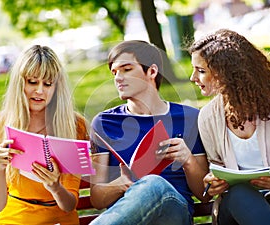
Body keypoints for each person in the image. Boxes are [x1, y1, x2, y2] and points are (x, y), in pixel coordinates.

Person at [89, 40, 210, 225]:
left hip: (174, 213)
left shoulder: (189, 118)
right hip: (129, 218)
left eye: (127, 69)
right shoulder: (104, 123)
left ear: (152, 71)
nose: (118, 78)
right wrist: (122, 183)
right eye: (114, 72)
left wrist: (188, 160)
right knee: (150, 183)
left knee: (154, 183)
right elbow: (97, 199)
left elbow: (204, 195)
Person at [0, 45, 88, 225]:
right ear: (20, 84)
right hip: (16, 218)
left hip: (59, 219)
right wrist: (1, 168)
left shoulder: (74, 125)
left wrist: (55, 187)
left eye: (48, 84)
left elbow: (69, 205)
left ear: (57, 87)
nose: (40, 91)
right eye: (32, 82)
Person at [189, 28, 270, 225]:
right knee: (239, 193)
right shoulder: (208, 117)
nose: (193, 78)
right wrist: (213, 184)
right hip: (234, 209)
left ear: (226, 73)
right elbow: (216, 169)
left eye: (201, 71)